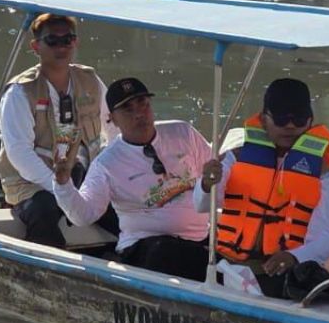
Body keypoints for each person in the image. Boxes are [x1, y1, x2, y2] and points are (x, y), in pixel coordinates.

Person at [195, 78, 329, 297]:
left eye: (299, 119)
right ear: (264, 120)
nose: (290, 126)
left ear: (310, 122)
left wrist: (295, 257)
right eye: (282, 118)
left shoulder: (323, 176)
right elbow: (200, 205)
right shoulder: (233, 159)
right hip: (226, 266)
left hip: (281, 274)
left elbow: (328, 237)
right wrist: (207, 184)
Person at [52, 77, 212, 279]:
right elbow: (83, 215)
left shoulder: (183, 133)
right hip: (146, 248)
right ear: (112, 119)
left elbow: (214, 173)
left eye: (143, 104)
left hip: (199, 240)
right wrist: (62, 181)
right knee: (164, 253)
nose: (139, 113)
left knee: (228, 260)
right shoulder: (106, 163)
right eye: (128, 108)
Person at [0, 13, 116, 248]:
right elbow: (19, 153)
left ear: (75, 42)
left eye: (68, 39)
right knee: (43, 213)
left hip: (83, 176)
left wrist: (108, 172)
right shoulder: (20, 92)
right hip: (34, 185)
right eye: (52, 40)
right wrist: (59, 186)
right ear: (36, 46)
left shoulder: (90, 80)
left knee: (126, 213)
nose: (61, 46)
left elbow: (114, 127)